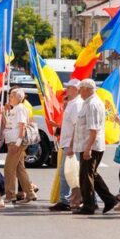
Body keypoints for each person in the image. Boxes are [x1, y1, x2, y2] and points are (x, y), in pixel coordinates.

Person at [74, 79, 117, 215]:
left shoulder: (93, 104)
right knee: (91, 174)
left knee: (85, 176)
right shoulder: (87, 103)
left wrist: (88, 148)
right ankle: (109, 199)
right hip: (86, 144)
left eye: (80, 88)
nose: (79, 91)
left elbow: (94, 129)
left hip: (91, 145)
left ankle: (89, 205)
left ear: (87, 89)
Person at [50, 79, 83, 212]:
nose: (66, 90)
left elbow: (77, 127)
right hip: (68, 143)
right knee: (71, 172)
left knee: (68, 172)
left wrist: (71, 145)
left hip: (72, 144)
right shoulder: (71, 103)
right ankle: (73, 199)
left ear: (76, 89)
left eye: (69, 88)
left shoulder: (76, 104)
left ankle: (66, 200)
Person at [2, 88, 35, 204]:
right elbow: (11, 125)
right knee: (20, 169)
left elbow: (22, 127)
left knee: (8, 169)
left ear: (18, 98)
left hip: (16, 143)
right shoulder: (15, 109)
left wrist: (17, 143)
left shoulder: (20, 109)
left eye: (12, 96)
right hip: (13, 142)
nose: (9, 97)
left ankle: (10, 195)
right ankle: (30, 193)